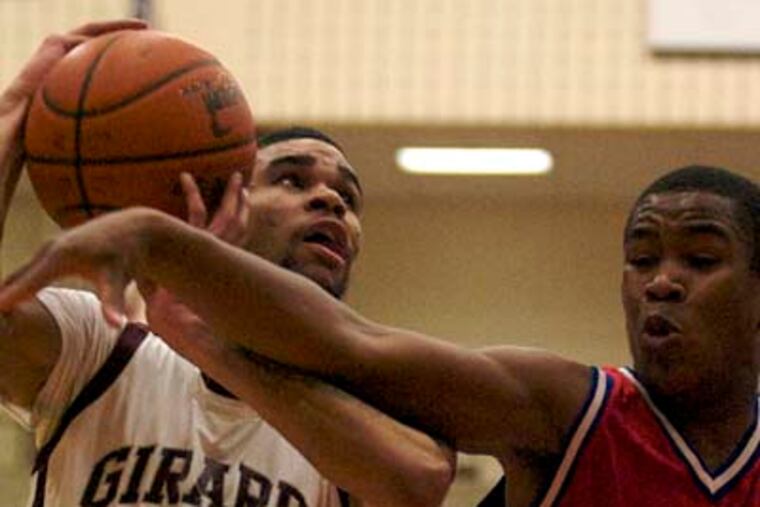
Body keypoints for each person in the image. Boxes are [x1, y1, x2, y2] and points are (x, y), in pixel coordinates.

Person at [4, 162, 758, 507]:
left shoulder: (368, 419)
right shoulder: (572, 408)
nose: (661, 280)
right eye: (640, 258)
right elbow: (349, 340)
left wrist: (203, 323)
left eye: (699, 258)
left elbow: (415, 475)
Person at [0, 21, 454, 507]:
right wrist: (12, 120)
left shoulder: (374, 400)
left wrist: (210, 343)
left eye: (347, 195)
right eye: (291, 180)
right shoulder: (99, 347)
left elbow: (419, 482)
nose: (330, 199)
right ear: (225, 203)